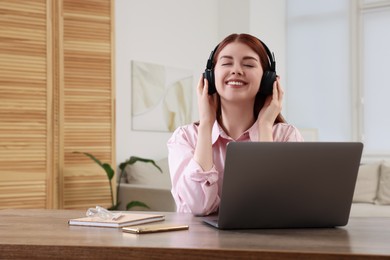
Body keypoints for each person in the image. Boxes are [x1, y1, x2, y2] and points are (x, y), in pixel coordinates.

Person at [167, 33, 304, 216]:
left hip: (267, 243)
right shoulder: (185, 137)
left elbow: (276, 205)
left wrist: (265, 126)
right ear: (210, 76)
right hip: (199, 243)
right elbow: (197, 207)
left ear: (267, 79)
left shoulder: (286, 137)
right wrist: (206, 124)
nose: (236, 70)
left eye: (248, 64)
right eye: (226, 63)